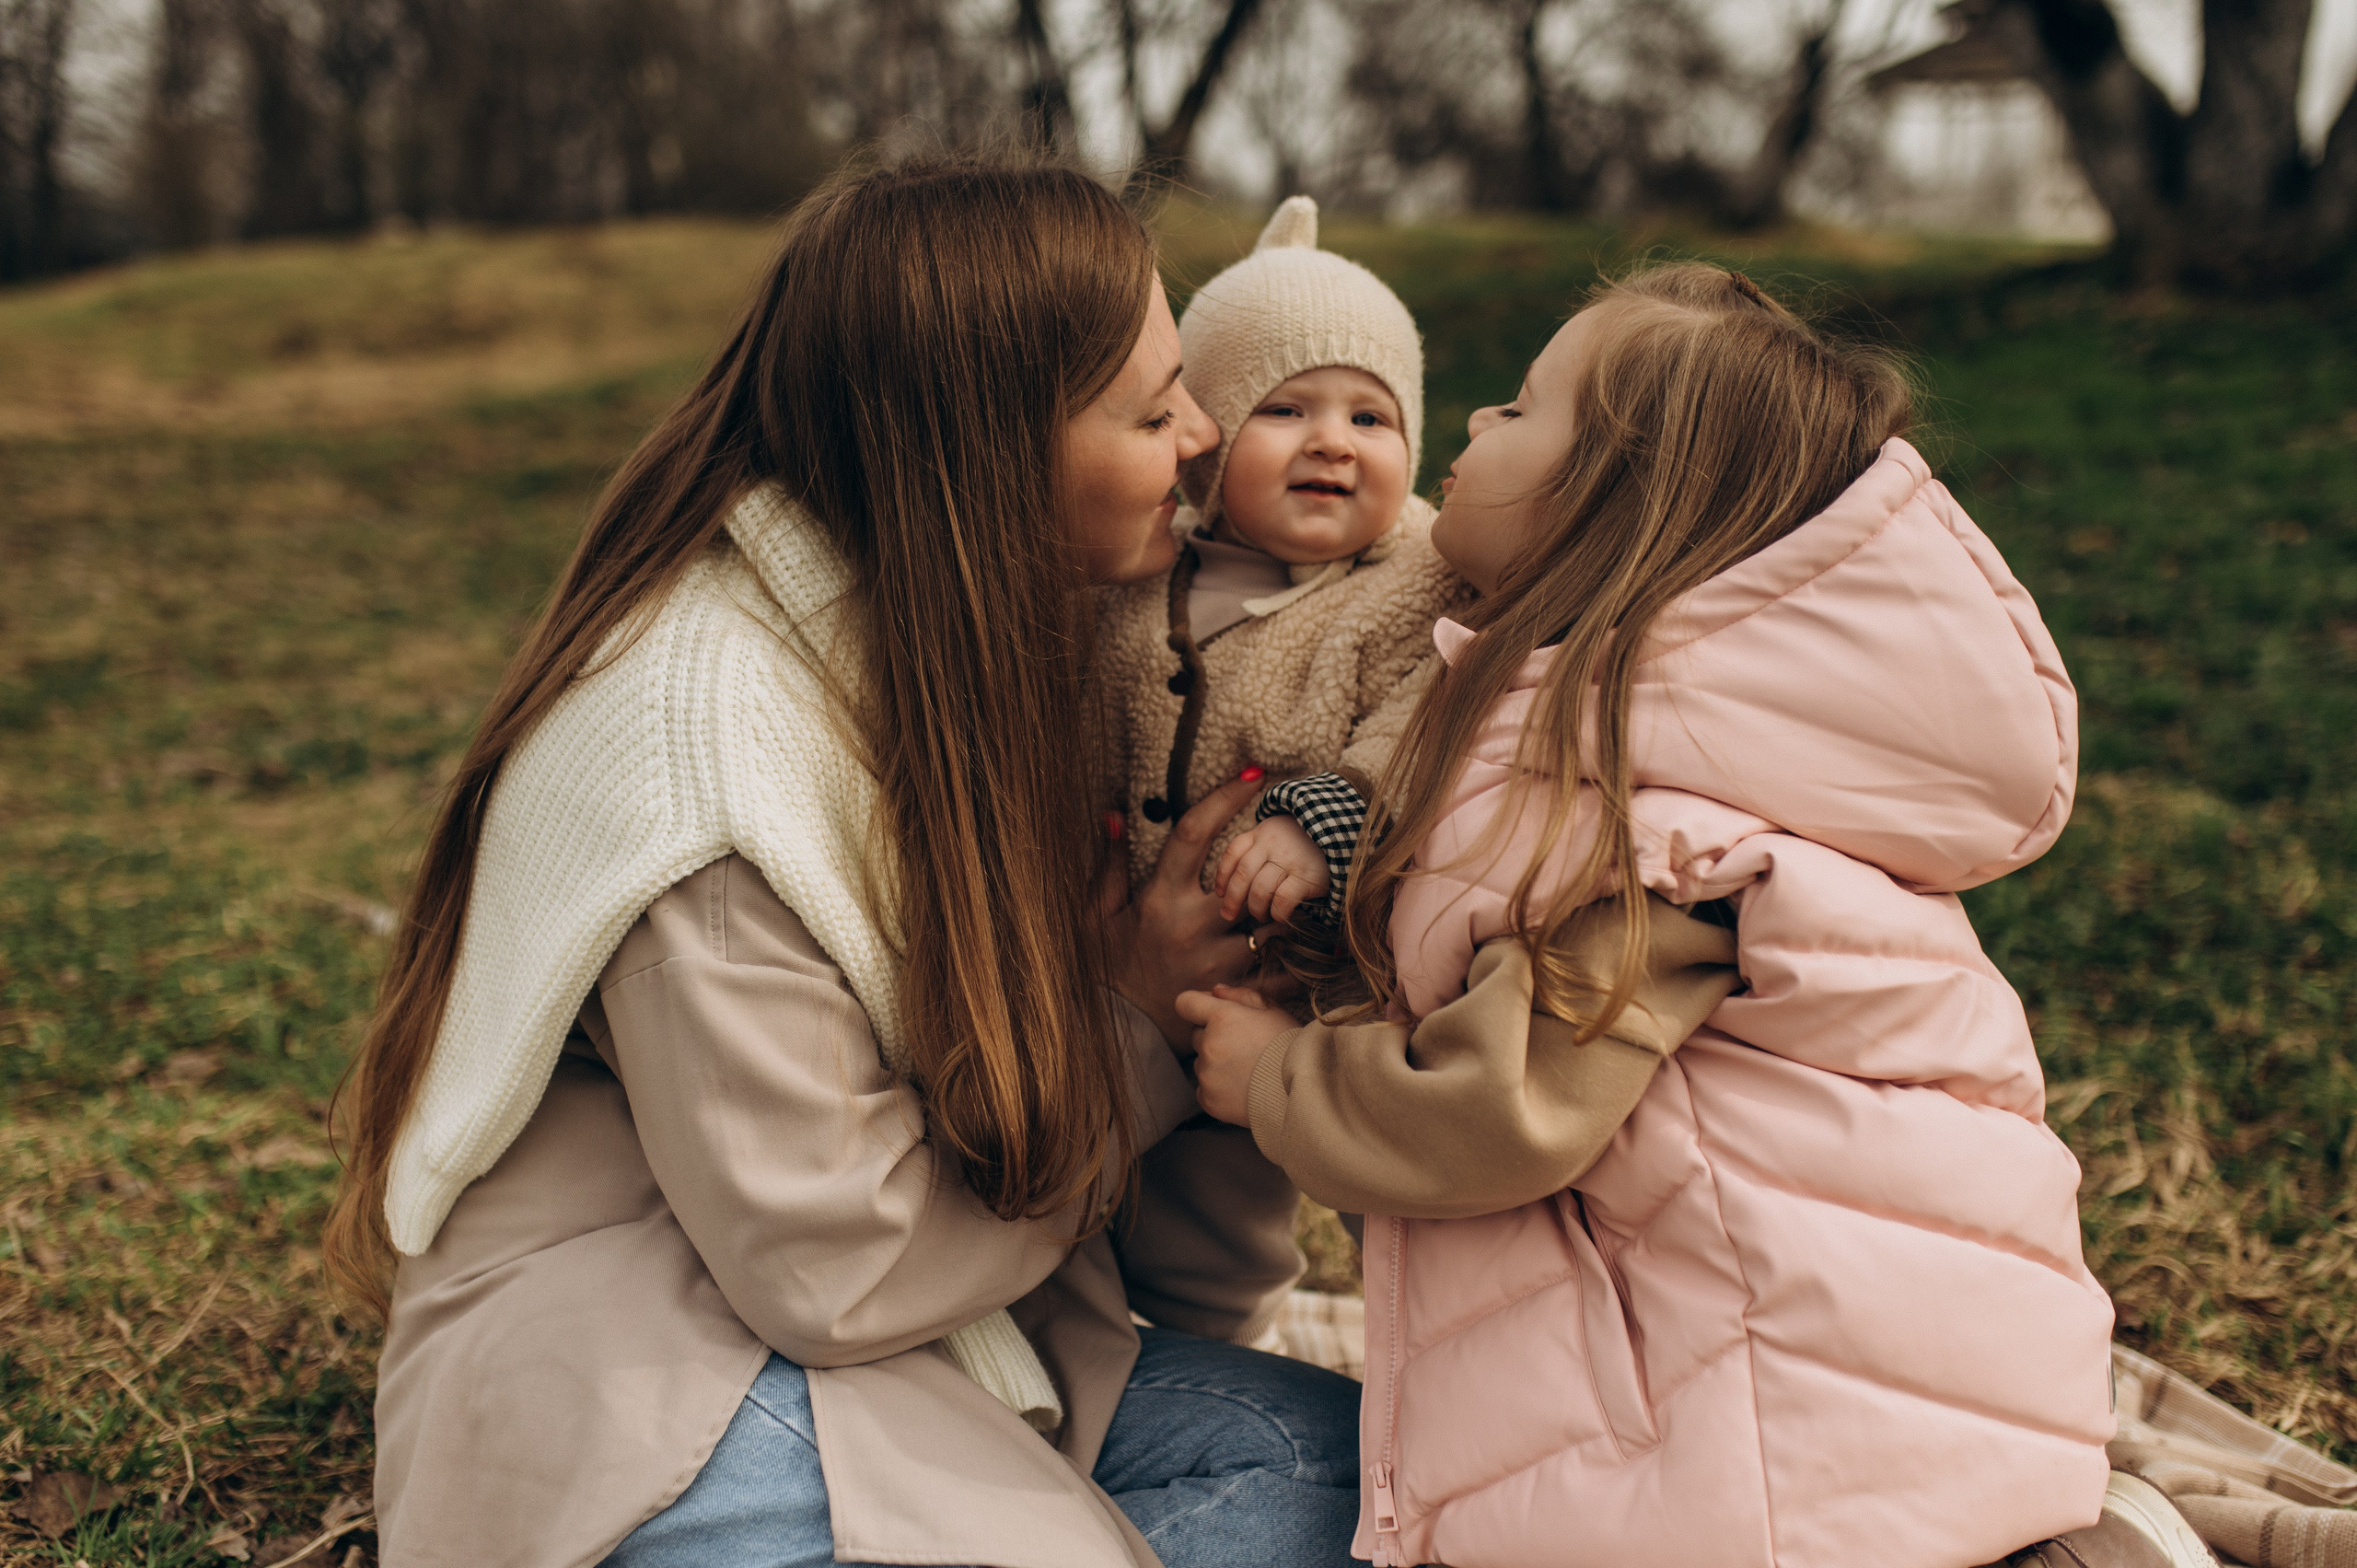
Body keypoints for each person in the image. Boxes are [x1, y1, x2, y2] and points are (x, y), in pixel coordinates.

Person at [323, 151, 1364, 1568]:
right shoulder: (705, 761)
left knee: (1361, 1477)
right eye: (1148, 407)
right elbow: (832, 1262)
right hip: (661, 1388)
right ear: (988, 451)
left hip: (893, 1334)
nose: (1200, 432)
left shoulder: (939, 637)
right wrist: (1131, 1023)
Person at [1180, 263, 2149, 1567]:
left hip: (1788, 1443)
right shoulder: (1641, 745)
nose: (1472, 422)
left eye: (1518, 407)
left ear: (1606, 501)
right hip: (1848, 1383)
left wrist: (1279, 1077)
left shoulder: (1655, 834)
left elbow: (1503, 1105)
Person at [1097, 195, 1471, 923]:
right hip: (1109, 938)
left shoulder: (1424, 582)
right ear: (1205, 435)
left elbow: (1428, 720)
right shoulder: (1137, 564)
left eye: (1369, 417)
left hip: (1291, 949)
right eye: (1285, 410)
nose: (1333, 441)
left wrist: (1326, 818)